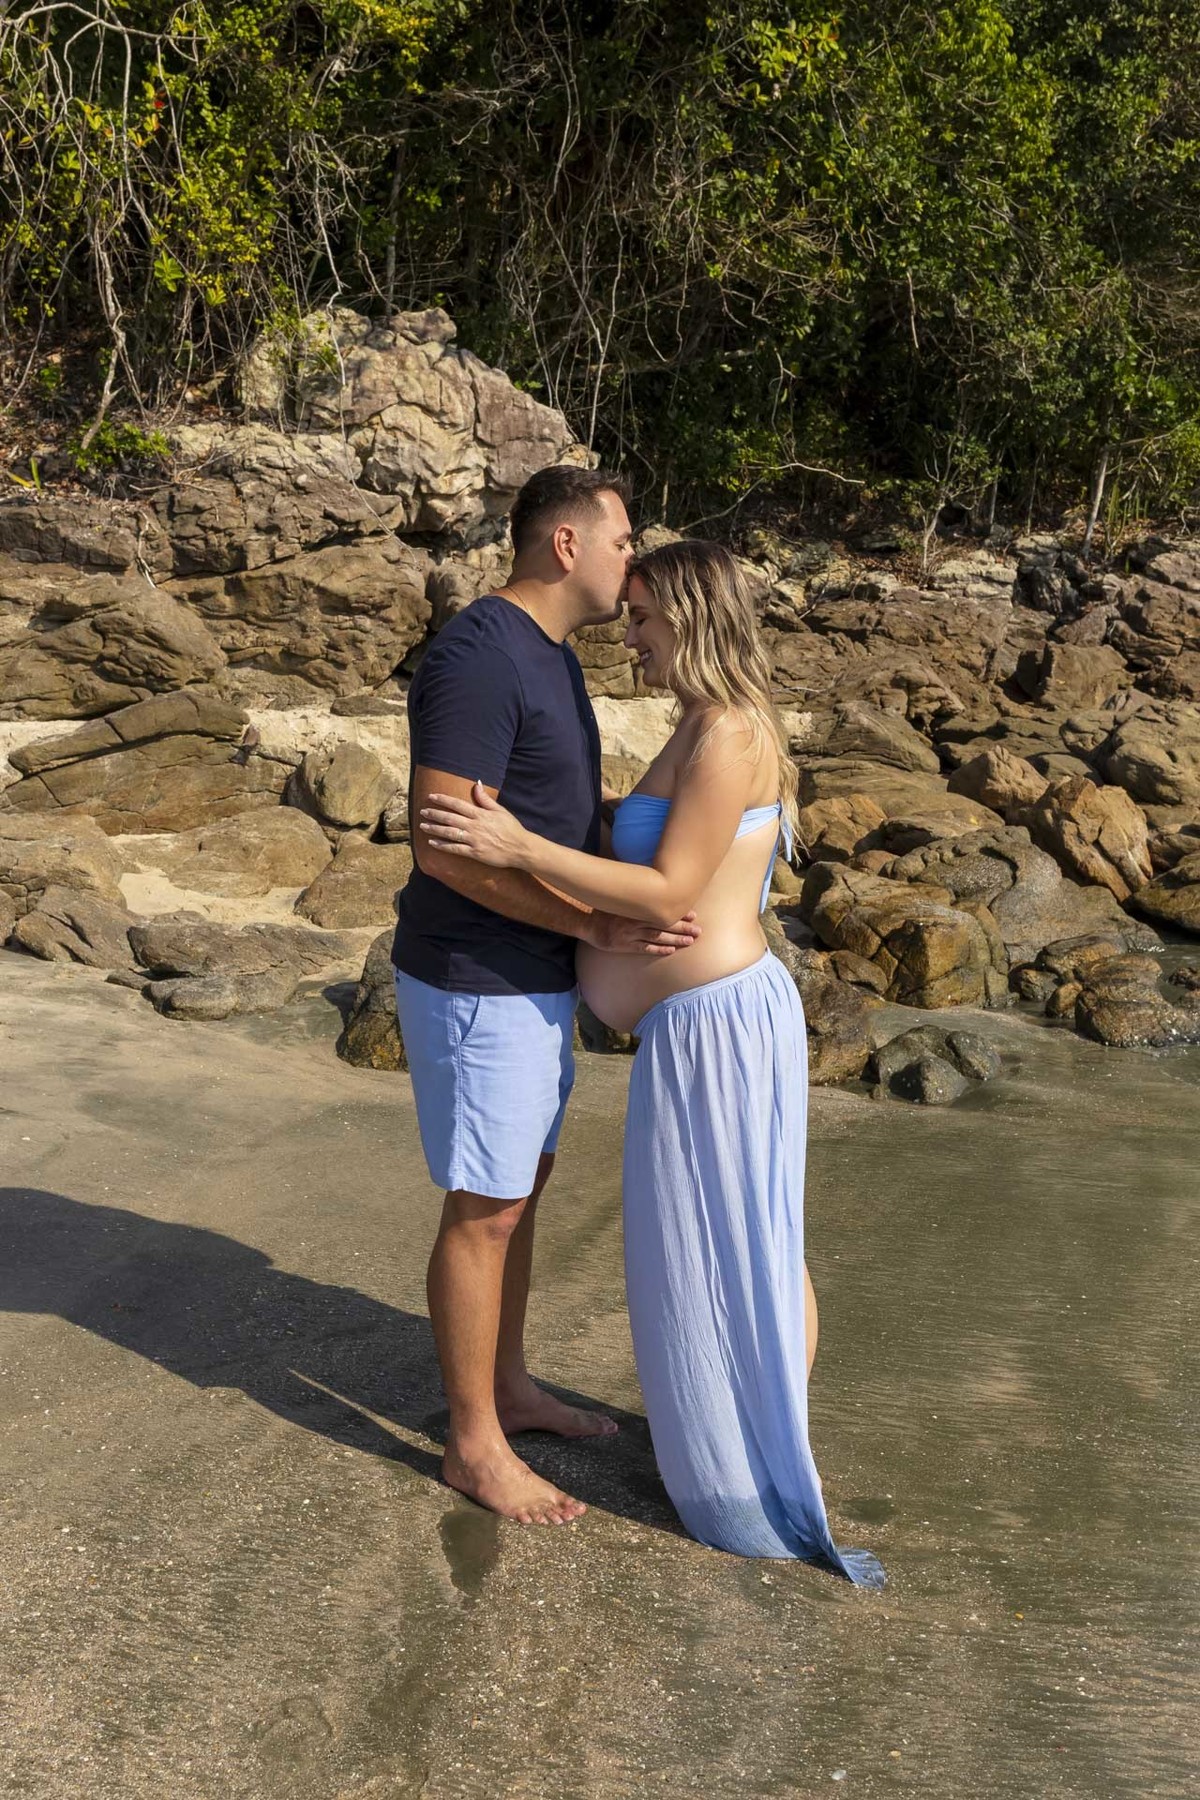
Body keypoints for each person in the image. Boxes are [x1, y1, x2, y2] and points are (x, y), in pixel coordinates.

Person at [419, 539, 885, 1584]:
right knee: (729, 1233)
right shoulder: (700, 720)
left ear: (691, 615)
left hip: (723, 1028)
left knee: (753, 1237)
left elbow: (672, 890)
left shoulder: (732, 732)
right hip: (692, 1031)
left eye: (642, 620)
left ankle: (762, 1455)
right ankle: (753, 1436)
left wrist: (520, 849)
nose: (629, 640)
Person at [392, 466, 703, 1528]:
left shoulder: (551, 657)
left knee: (520, 1185)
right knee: (485, 1209)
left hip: (529, 979)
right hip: (479, 977)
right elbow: (444, 845)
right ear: (566, 545)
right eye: (623, 539)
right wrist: (596, 927)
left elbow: (546, 809)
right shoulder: (481, 656)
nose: (633, 558)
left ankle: (509, 1386)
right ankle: (473, 1442)